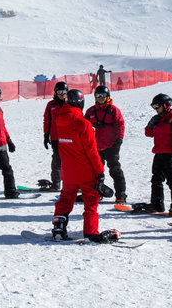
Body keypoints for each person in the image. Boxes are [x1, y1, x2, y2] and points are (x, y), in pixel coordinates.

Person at [51, 89, 119, 242]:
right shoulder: (84, 124)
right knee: (91, 200)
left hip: (68, 171)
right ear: (81, 103)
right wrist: (100, 171)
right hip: (86, 171)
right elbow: (92, 152)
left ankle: (58, 228)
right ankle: (90, 232)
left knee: (65, 199)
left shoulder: (59, 121)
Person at [143, 93, 172, 214]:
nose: (155, 109)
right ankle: (157, 204)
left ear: (165, 105)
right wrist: (151, 123)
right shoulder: (158, 118)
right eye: (153, 107)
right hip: (159, 153)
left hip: (171, 154)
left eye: (157, 106)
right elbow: (148, 133)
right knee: (156, 179)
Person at [85, 85, 127, 202]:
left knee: (115, 170)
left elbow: (120, 125)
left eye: (103, 96)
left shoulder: (113, 110)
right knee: (95, 172)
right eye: (98, 96)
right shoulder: (91, 111)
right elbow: (83, 126)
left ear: (108, 97)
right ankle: (97, 193)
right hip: (96, 147)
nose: (101, 98)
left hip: (111, 146)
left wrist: (119, 139)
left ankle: (121, 195)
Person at [41, 81, 68, 190]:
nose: (62, 94)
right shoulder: (51, 105)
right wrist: (46, 135)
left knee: (70, 161)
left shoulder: (70, 103)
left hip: (69, 138)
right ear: (56, 92)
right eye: (59, 92)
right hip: (56, 137)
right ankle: (56, 183)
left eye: (64, 91)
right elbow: (47, 120)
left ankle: (73, 183)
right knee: (57, 160)